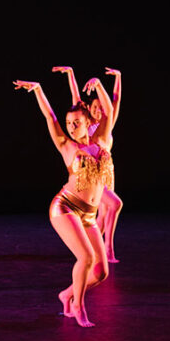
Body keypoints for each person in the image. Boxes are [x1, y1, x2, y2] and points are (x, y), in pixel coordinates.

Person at [14, 77, 113, 327]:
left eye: (76, 122)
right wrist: (38, 89)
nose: (71, 127)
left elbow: (109, 110)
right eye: (69, 123)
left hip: (89, 214)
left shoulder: (102, 140)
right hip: (66, 207)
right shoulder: (66, 146)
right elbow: (50, 117)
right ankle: (78, 306)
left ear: (88, 122)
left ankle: (67, 293)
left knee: (101, 272)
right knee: (86, 258)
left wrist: (99, 85)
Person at [53, 66, 123, 263]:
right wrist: (71, 74)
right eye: (94, 107)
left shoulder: (106, 126)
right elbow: (75, 95)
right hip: (90, 174)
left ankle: (94, 249)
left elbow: (115, 102)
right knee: (114, 204)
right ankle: (106, 248)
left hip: (106, 172)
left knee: (100, 215)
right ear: (88, 109)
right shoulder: (85, 126)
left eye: (100, 108)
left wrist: (118, 78)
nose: (98, 110)